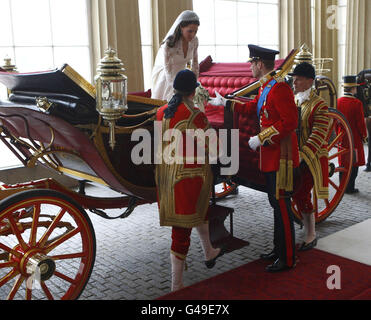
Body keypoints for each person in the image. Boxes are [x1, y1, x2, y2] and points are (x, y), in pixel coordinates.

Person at [209, 45, 299, 272]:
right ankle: (278, 249)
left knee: (281, 206)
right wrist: (226, 103)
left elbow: (290, 122)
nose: (249, 66)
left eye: (251, 63)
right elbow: (255, 109)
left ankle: (287, 257)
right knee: (275, 204)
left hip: (281, 156)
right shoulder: (267, 86)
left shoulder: (279, 88)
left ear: (260, 64)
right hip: (271, 155)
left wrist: (262, 137)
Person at [155, 69, 224, 291]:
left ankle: (208, 251)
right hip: (189, 178)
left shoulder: (161, 112)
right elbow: (215, 149)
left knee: (201, 214)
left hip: (166, 178)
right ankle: (177, 285)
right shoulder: (195, 115)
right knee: (182, 230)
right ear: (194, 91)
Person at [289, 62, 330, 251]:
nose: (294, 82)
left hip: (311, 159)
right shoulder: (296, 100)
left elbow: (319, 134)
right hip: (295, 157)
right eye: (294, 78)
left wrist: (302, 155)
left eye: (298, 79)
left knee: (302, 193)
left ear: (309, 81)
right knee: (296, 192)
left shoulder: (320, 105)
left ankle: (311, 233)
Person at [151, 10, 200, 102]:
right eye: (190, 31)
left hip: (182, 77)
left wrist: (194, 83)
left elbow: (195, 63)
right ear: (181, 27)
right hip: (167, 77)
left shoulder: (195, 41)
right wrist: (176, 89)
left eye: (195, 31)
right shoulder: (169, 44)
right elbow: (167, 70)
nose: (192, 35)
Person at [337, 75, 368, 193]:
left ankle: (342, 186)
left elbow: (336, 121)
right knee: (353, 163)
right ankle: (350, 187)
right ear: (353, 89)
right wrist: (364, 136)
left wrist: (338, 132)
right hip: (353, 137)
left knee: (342, 162)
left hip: (341, 136)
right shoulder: (357, 103)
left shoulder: (338, 101)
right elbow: (360, 123)